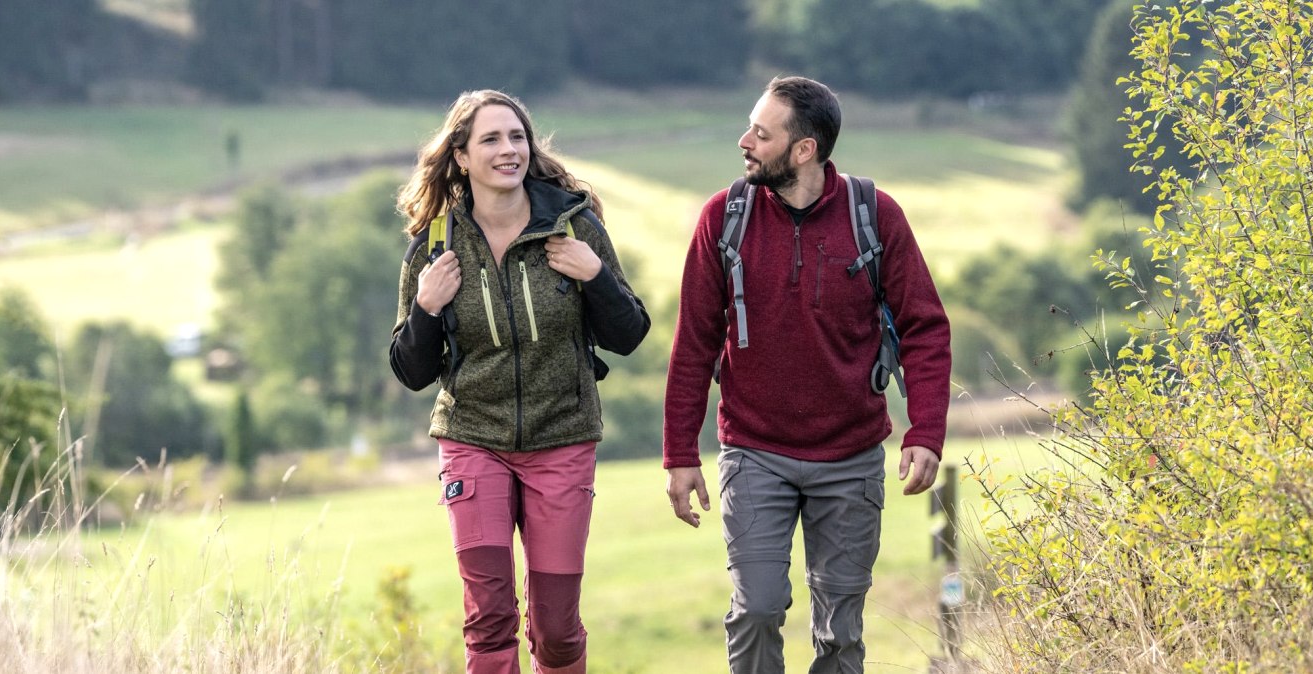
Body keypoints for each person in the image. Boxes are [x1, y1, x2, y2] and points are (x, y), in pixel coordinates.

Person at [662, 76, 952, 672]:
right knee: (759, 610)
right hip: (754, 451)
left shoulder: (876, 217)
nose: (745, 141)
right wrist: (679, 454)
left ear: (804, 150)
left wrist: (925, 432)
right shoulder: (723, 219)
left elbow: (925, 327)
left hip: (850, 457)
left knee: (841, 627)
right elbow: (694, 342)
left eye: (761, 134)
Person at [389, 89, 650, 674]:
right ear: (460, 156)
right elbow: (410, 371)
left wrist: (596, 276)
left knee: (556, 629)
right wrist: (427, 309)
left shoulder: (574, 227)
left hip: (563, 438)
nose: (509, 150)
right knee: (488, 619)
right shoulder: (435, 246)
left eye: (517, 137)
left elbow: (629, 333)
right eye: (491, 139)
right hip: (472, 437)